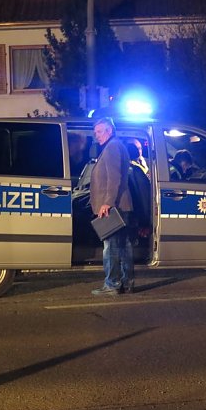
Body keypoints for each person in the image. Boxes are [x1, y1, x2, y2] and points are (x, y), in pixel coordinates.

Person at [90, 117, 134, 296]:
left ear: (109, 130)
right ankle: (126, 282)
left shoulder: (112, 147)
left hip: (114, 205)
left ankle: (112, 284)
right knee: (123, 245)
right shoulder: (116, 146)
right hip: (121, 205)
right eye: (95, 132)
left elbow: (114, 179)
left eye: (99, 132)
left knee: (112, 246)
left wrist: (107, 203)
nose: (96, 136)